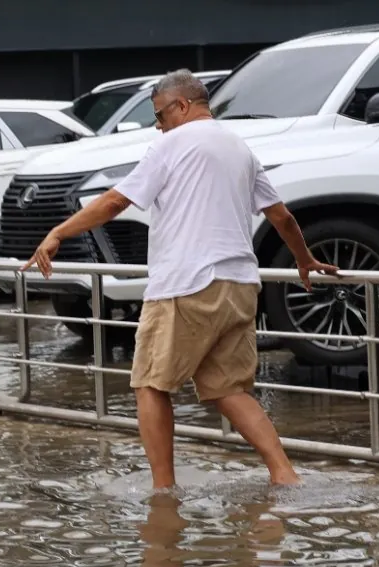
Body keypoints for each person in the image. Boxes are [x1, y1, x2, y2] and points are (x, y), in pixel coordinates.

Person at [21, 69, 338, 489]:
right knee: (228, 390)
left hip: (185, 284)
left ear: (182, 105)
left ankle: (163, 490)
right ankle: (284, 474)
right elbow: (281, 216)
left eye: (159, 114)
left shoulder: (170, 145)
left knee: (150, 384)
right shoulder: (240, 148)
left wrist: (59, 232)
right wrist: (304, 259)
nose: (158, 124)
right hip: (239, 284)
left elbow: (116, 200)